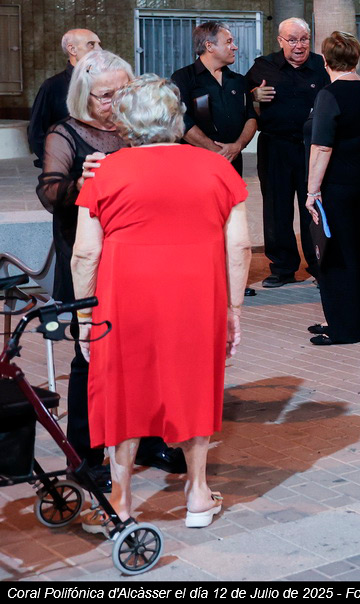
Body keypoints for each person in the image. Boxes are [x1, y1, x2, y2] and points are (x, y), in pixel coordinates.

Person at [71, 75, 252, 529]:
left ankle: (121, 500)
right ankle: (197, 494)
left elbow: (85, 253)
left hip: (123, 296)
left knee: (123, 390)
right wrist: (233, 310)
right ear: (176, 118)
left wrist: (83, 315)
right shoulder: (217, 168)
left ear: (124, 121)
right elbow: (240, 246)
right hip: (197, 295)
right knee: (194, 385)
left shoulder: (105, 172)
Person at [36, 50, 184, 484]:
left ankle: (151, 440)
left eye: (123, 91)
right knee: (90, 356)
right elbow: (49, 192)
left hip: (139, 258)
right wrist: (82, 181)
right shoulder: (65, 133)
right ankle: (84, 455)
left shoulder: (136, 129)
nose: (115, 101)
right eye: (105, 95)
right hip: (87, 254)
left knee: (149, 352)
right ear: (84, 95)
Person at [305, 32, 360, 346]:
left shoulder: (330, 94)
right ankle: (356, 319)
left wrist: (312, 191)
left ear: (325, 61)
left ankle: (343, 328)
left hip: (337, 186)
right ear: (357, 58)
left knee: (336, 255)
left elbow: (322, 147)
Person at [246, 18, 328, 288]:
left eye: (304, 39)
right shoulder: (263, 66)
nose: (299, 45)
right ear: (280, 41)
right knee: (276, 208)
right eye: (292, 40)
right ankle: (282, 268)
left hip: (311, 148)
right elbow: (242, 99)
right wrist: (254, 96)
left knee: (313, 207)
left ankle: (319, 265)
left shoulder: (321, 65)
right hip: (275, 146)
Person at [170, 21, 259, 178]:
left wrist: (237, 146)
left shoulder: (239, 80)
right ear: (209, 46)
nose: (235, 47)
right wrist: (216, 151)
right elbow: (182, 121)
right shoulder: (183, 78)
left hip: (233, 161)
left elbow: (251, 117)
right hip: (196, 164)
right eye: (228, 42)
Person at [28, 28, 101, 167]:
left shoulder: (104, 82)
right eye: (91, 44)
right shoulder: (53, 86)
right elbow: (36, 133)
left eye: (99, 44)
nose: (99, 50)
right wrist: (55, 163)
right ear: (72, 49)